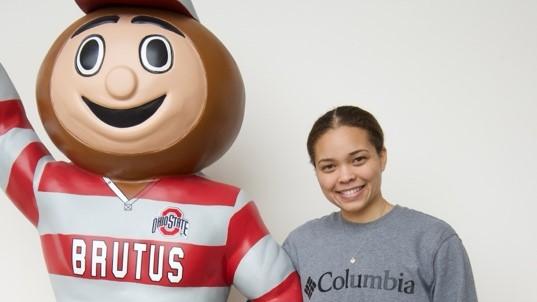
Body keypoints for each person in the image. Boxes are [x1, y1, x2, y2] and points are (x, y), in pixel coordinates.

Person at [283, 105, 478, 302]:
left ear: (381, 157)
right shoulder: (300, 244)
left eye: (358, 159)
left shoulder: (434, 240)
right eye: (329, 167)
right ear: (316, 171)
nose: (345, 177)